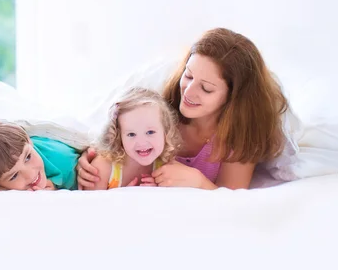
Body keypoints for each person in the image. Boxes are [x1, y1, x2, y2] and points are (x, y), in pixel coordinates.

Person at [77, 28, 288, 190]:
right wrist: (87, 158)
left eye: (206, 89)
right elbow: (114, 138)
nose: (188, 92)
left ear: (233, 98)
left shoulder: (238, 141)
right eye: (188, 76)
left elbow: (232, 202)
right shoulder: (160, 110)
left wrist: (198, 182)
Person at [84, 87, 181, 190]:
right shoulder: (103, 168)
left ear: (166, 131)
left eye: (150, 132)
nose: (141, 142)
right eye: (131, 134)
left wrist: (158, 194)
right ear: (118, 136)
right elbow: (91, 204)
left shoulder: (168, 168)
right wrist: (120, 199)